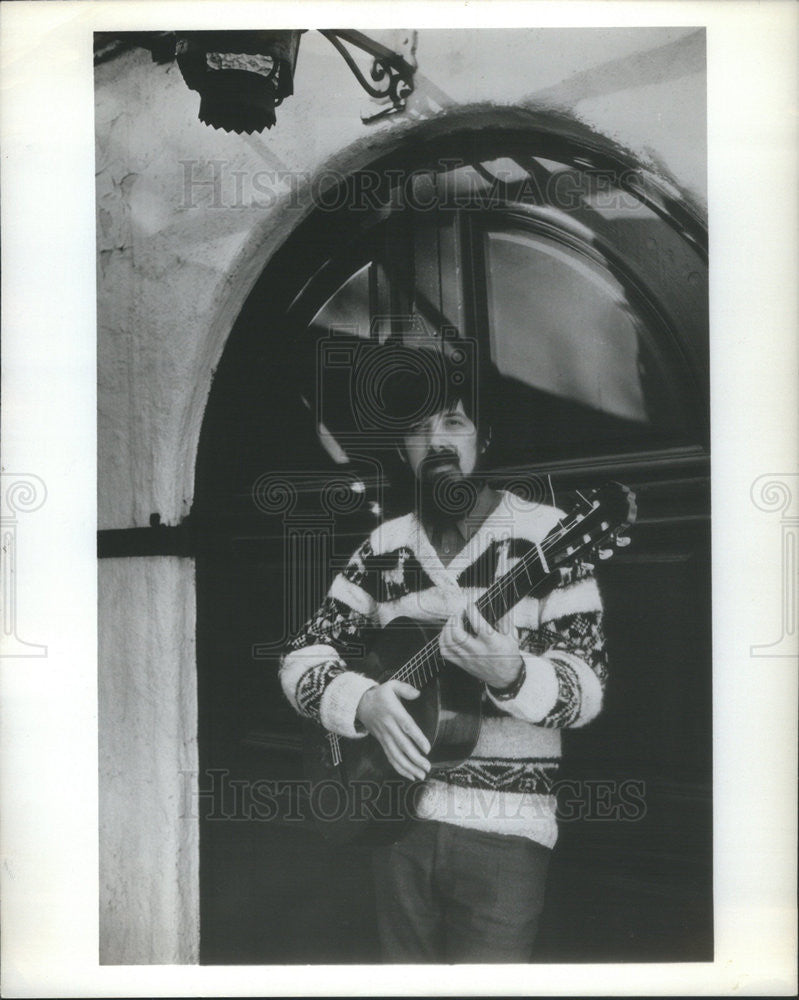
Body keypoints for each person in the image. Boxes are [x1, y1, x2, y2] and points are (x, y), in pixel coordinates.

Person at [279, 349, 607, 963]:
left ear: (486, 435)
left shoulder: (551, 534)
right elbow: (303, 659)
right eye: (417, 427)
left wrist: (513, 675)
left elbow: (585, 689)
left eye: (453, 421)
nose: (435, 440)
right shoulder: (383, 546)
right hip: (391, 820)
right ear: (401, 446)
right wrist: (362, 703)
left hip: (507, 834)